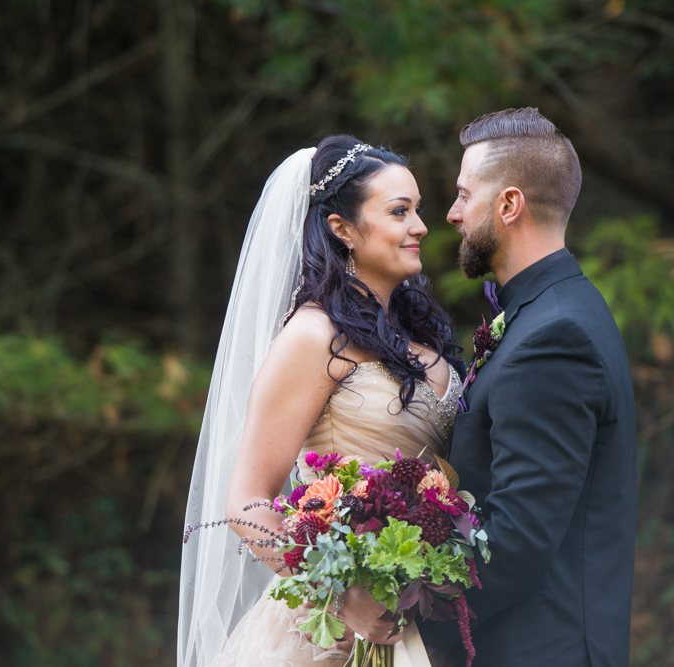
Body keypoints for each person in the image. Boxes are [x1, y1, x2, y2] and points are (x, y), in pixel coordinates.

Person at [179, 135, 465, 667]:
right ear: (343, 229)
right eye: (399, 211)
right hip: (328, 637)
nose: (421, 226)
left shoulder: (419, 337)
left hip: (417, 619)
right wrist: (339, 593)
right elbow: (247, 503)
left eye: (419, 210)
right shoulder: (314, 337)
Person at [417, 107, 637, 666]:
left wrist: (409, 621)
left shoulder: (553, 335)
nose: (451, 213)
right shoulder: (552, 310)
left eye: (465, 195)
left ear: (509, 205)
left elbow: (515, 540)